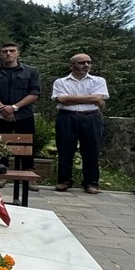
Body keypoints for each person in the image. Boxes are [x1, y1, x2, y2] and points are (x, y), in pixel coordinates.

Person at [0, 42, 41, 188]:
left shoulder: (31, 72)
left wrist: (14, 108)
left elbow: (34, 93)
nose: (8, 53)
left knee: (26, 144)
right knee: (0, 145)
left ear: (18, 53)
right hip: (0, 114)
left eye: (11, 51)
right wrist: (3, 108)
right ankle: (2, 173)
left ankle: (28, 175)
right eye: (5, 51)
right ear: (0, 54)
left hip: (24, 114)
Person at [51, 53, 109, 194]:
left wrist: (71, 98)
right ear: (72, 65)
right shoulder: (61, 82)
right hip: (67, 117)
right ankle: (64, 180)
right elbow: (62, 100)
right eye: (81, 62)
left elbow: (98, 97)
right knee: (65, 150)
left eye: (88, 62)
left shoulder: (98, 80)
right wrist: (93, 100)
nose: (86, 65)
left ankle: (91, 182)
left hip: (91, 117)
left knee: (91, 151)